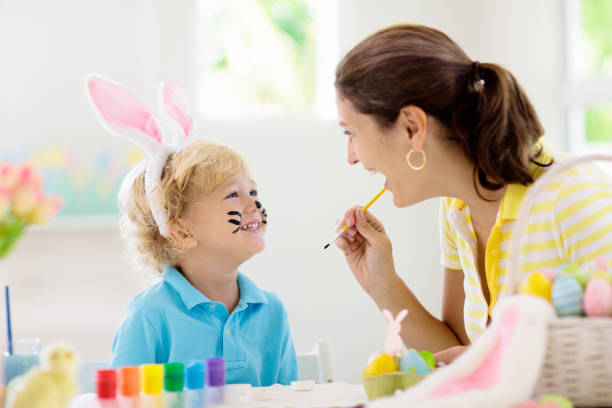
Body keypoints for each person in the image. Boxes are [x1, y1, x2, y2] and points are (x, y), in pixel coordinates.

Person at [332, 24, 612, 364]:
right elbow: (457, 351)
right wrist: (381, 281)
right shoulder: (456, 209)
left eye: (351, 133)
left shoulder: (571, 199)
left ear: (412, 127)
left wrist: (501, 361)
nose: (351, 157)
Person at [85, 75, 297, 386]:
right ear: (182, 231)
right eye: (233, 195)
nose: (253, 204)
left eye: (252, 192)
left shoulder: (272, 313)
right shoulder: (150, 316)